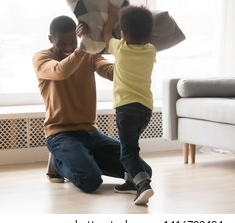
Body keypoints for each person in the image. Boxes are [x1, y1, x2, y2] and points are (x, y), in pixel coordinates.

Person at [32, 15, 152, 194]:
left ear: (77, 37)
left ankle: (82, 158)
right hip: (60, 134)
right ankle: (58, 163)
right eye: (62, 43)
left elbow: (114, 73)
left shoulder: (89, 55)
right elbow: (61, 71)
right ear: (51, 39)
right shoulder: (42, 58)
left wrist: (131, 55)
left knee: (142, 172)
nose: (68, 47)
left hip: (91, 133)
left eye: (72, 42)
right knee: (90, 180)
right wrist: (83, 47)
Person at [103, 4, 156, 205]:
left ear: (123, 34)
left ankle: (143, 185)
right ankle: (130, 181)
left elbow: (106, 34)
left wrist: (111, 17)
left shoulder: (120, 49)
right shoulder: (151, 51)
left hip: (126, 109)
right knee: (132, 146)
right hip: (146, 110)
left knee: (127, 152)